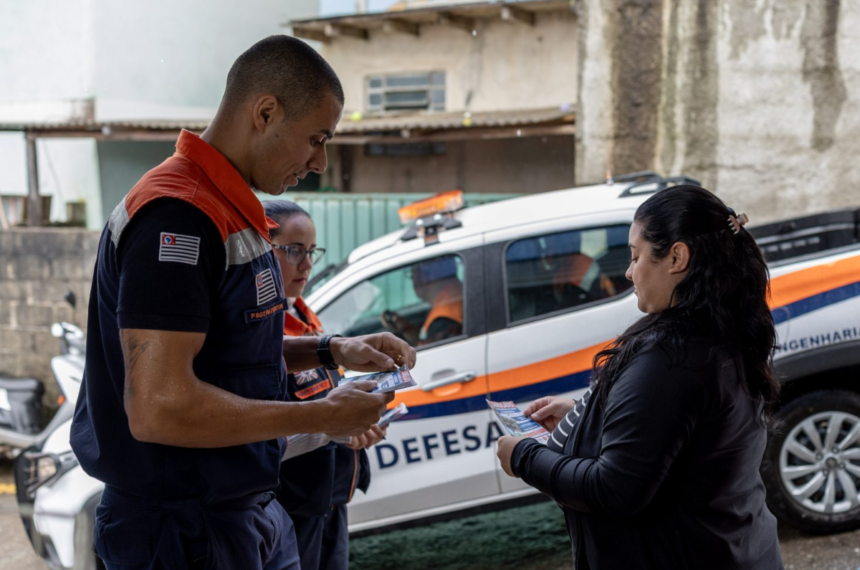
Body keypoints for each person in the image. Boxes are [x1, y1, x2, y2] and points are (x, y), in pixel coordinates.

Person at [70, 36, 416, 570]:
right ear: (266, 112)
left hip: (243, 510)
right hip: (182, 527)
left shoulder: (233, 209)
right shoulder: (177, 217)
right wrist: (325, 415)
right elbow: (160, 406)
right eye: (316, 139)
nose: (320, 162)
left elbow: (230, 352)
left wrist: (332, 349)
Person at [496, 185, 784, 569]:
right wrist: (592, 415)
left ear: (677, 257)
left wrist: (523, 457)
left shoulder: (674, 356)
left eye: (635, 256)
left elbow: (615, 489)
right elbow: (678, 431)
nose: (629, 272)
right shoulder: (721, 328)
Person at [265, 200, 383, 570]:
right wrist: (331, 428)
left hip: (331, 500)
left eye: (312, 251)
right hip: (290, 508)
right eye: (294, 250)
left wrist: (354, 425)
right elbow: (262, 435)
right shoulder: (255, 332)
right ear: (262, 251)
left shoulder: (303, 315)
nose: (307, 264)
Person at [382, 256, 463, 345]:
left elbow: (429, 354)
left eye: (414, 273)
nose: (413, 278)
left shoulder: (442, 320)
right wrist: (406, 329)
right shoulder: (458, 293)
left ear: (429, 275)